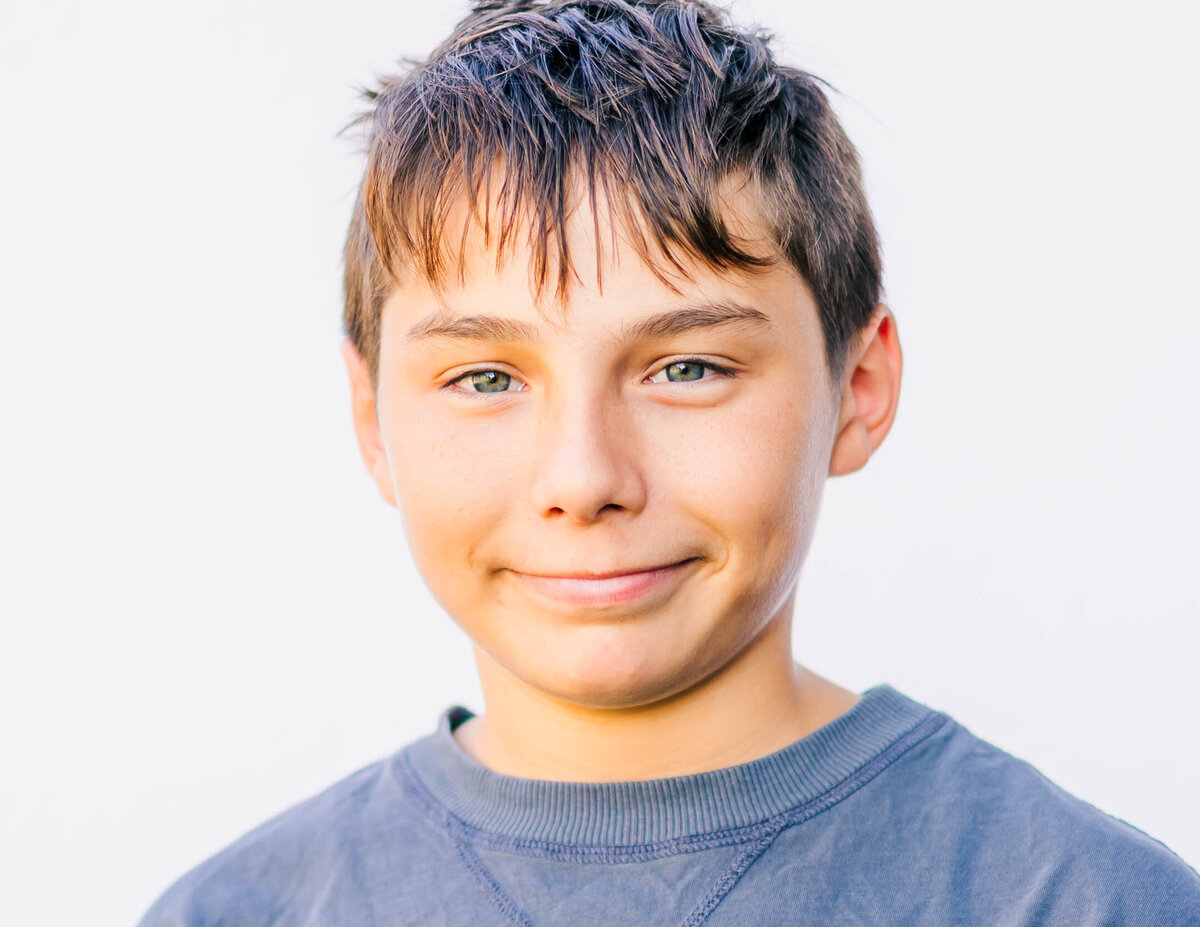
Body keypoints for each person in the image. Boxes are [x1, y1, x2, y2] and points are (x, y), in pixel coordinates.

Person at [138, 1, 1200, 924]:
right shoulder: (235, 914)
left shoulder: (1079, 901)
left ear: (860, 389)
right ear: (373, 419)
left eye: (687, 368)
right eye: (487, 378)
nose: (583, 478)